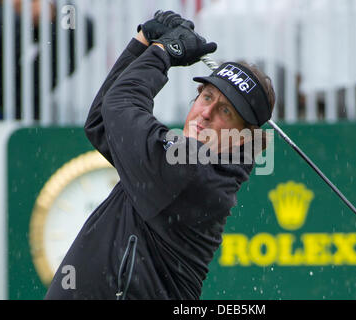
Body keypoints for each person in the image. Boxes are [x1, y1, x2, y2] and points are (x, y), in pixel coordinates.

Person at [44, 10, 275, 300]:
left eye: (225, 111)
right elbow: (102, 124)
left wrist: (165, 52)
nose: (205, 114)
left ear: (243, 138)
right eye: (206, 97)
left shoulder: (191, 169)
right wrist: (143, 43)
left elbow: (119, 105)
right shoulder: (195, 165)